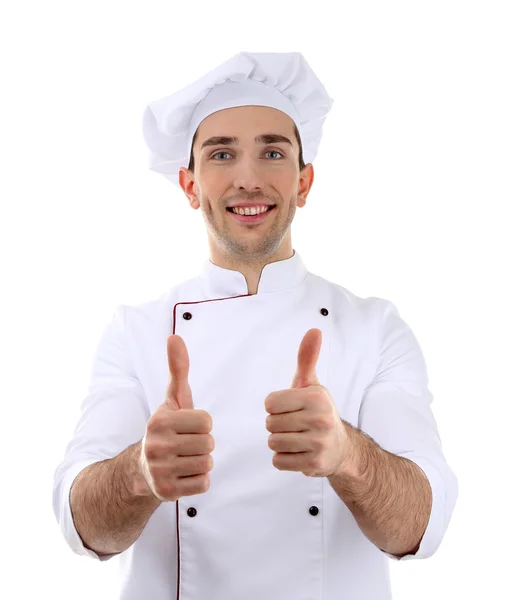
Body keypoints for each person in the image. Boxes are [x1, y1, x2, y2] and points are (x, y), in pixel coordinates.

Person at [52, 51, 458, 600]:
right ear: (190, 185)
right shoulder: (135, 331)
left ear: (304, 181)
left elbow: (421, 528)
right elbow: (82, 528)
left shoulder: (375, 328)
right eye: (221, 154)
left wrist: (347, 455)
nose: (248, 178)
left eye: (272, 151)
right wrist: (138, 473)